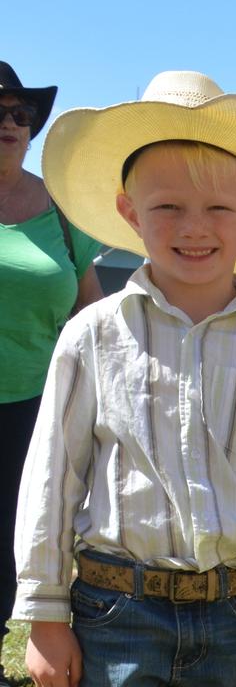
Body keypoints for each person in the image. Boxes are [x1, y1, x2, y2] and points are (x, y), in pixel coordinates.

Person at [13, 70, 236, 687]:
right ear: (129, 213)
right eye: (168, 207)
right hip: (113, 611)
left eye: (218, 208)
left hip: (232, 615)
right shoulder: (93, 333)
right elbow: (53, 474)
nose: (194, 227)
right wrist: (45, 614)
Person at [0, 61, 102, 687]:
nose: (10, 123)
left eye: (19, 114)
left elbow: (90, 311)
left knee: (14, 548)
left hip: (36, 411)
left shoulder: (62, 211)